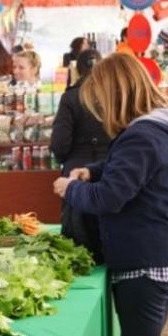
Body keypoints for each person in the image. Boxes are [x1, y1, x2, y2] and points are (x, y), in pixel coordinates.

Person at [52, 53, 168, 336]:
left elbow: (109, 198)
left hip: (149, 262)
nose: (98, 109)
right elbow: (136, 170)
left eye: (99, 100)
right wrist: (93, 171)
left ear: (114, 95)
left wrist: (71, 189)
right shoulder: (158, 126)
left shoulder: (142, 135)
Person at [50, 49, 110, 263]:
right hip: (110, 168)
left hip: (76, 171)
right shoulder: (113, 94)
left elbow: (59, 143)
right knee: (109, 238)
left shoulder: (70, 96)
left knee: (77, 246)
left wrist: (64, 159)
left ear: (77, 69)